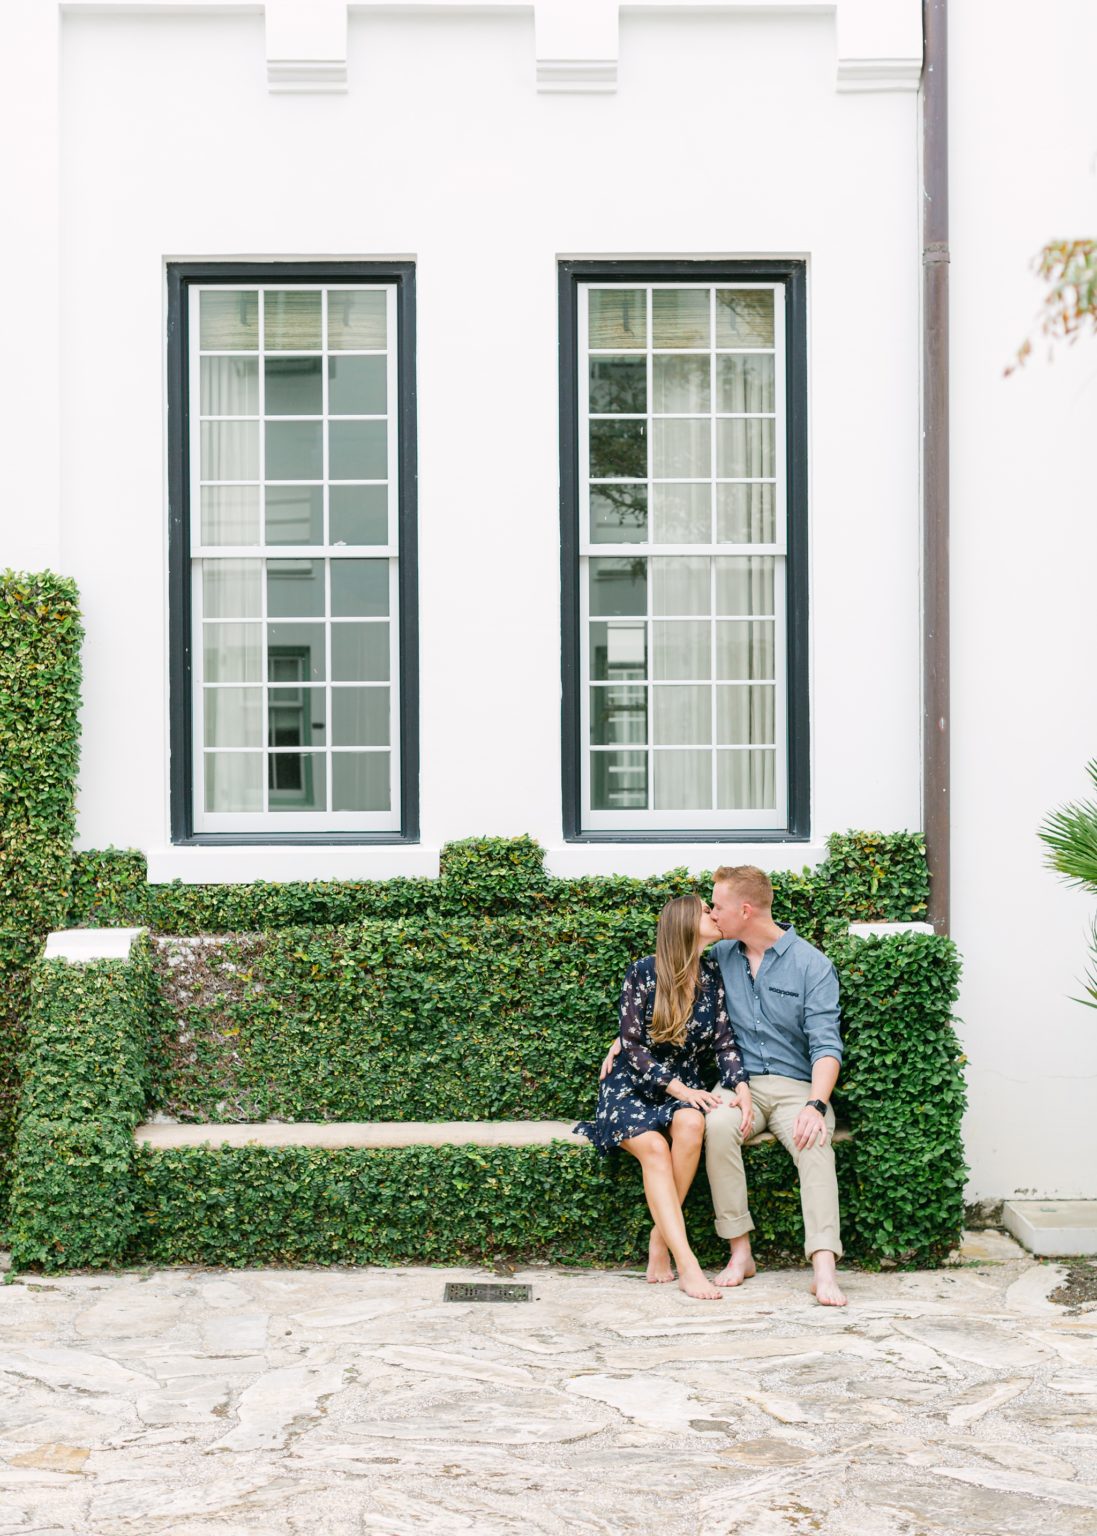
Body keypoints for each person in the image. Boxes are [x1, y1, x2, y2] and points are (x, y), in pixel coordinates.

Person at [601, 865, 848, 1308]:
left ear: (745, 910)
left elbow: (826, 1044)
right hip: (736, 1085)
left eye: (717, 906)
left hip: (796, 1088)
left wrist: (816, 1102)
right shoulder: (722, 957)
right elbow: (672, 984)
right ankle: (740, 1253)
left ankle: (824, 1268)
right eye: (708, 909)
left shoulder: (812, 964)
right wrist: (624, 1038)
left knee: (813, 1139)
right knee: (715, 1128)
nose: (713, 913)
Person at [575, 895, 753, 1302]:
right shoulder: (643, 972)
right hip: (631, 1085)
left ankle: (660, 1238)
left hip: (682, 1086)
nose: (713, 915)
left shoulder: (711, 974)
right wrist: (680, 1089)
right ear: (687, 923)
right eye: (706, 912)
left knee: (692, 1123)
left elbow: (725, 1043)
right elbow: (632, 1045)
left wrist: (740, 1087)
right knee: (654, 1148)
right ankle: (687, 1264)